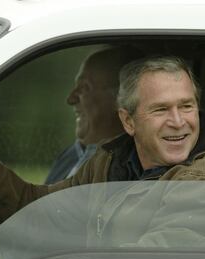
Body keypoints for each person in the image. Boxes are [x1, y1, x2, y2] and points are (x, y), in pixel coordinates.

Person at [0, 56, 205, 248]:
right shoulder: (114, 160)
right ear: (128, 121)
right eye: (160, 110)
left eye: (187, 107)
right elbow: (44, 213)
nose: (177, 122)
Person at [45, 46, 143, 184]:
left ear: (122, 100)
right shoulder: (70, 156)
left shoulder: (132, 170)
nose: (70, 99)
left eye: (85, 87)